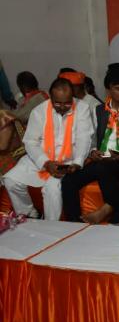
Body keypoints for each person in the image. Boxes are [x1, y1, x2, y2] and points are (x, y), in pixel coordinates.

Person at [2, 77, 93, 219]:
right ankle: (29, 214)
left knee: (52, 190)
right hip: (41, 158)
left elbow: (84, 138)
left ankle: (51, 226)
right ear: (50, 98)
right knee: (10, 180)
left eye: (67, 103)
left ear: (72, 98)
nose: (63, 107)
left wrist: (77, 162)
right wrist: (45, 162)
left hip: (66, 162)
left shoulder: (82, 108)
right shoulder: (39, 111)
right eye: (58, 103)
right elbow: (31, 142)